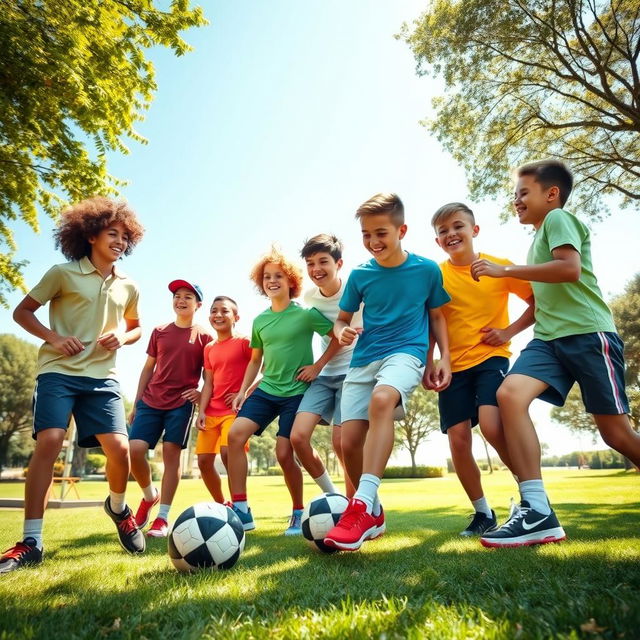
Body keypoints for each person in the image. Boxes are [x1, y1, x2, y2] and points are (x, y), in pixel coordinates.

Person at [471, 159, 640, 547]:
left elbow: (569, 269)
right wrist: (509, 331)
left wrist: (507, 271)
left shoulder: (558, 219)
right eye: (514, 194)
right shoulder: (537, 238)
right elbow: (541, 303)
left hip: (587, 333)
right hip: (548, 340)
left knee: (616, 435)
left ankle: (537, 510)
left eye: (523, 192)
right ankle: (537, 510)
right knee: (509, 394)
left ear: (552, 194)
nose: (516, 200)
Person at [1, 196, 145, 574]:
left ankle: (117, 507)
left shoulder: (128, 286)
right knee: (49, 440)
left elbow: (136, 328)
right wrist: (52, 337)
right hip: (58, 372)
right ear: (91, 235)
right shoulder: (61, 273)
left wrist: (121, 336)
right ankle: (31, 541)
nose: (119, 241)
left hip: (102, 378)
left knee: (120, 450)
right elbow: (22, 312)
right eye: (112, 233)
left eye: (124, 236)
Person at [324, 193, 451, 551]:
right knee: (348, 442)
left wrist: (444, 358)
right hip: (363, 359)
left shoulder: (427, 270)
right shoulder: (361, 275)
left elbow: (438, 315)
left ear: (402, 230)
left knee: (382, 401)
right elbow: (342, 320)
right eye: (366, 234)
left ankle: (361, 506)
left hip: (406, 352)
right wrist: (341, 332)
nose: (373, 242)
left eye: (381, 233)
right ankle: (375, 512)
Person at [430, 202, 535, 536]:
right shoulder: (436, 275)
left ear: (474, 230)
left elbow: (537, 303)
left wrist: (508, 332)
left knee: (491, 426)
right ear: (437, 242)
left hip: (491, 358)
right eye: (443, 231)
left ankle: (533, 499)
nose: (451, 234)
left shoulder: (498, 268)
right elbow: (432, 321)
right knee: (458, 439)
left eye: (458, 226)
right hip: (452, 367)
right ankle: (482, 513)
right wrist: (432, 360)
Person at [226, 248, 335, 534]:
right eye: (266, 277)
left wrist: (317, 367)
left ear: (290, 281)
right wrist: (242, 391)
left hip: (297, 392)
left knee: (285, 453)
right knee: (235, 435)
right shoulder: (259, 321)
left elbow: (337, 339)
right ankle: (241, 509)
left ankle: (298, 512)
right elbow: (255, 360)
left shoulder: (306, 315)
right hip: (266, 389)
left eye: (278, 276)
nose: (271, 281)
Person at [128, 280, 212, 537]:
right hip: (151, 401)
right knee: (134, 451)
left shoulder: (205, 337)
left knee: (171, 457)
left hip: (181, 405)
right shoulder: (159, 331)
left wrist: (200, 397)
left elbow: (209, 377)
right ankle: (149, 495)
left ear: (198, 304)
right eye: (177, 296)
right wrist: (137, 401)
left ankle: (162, 518)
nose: (181, 300)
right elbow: (147, 368)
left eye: (188, 296)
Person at [290, 233, 363, 498]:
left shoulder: (357, 288)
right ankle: (334, 497)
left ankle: (362, 505)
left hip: (353, 373)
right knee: (297, 437)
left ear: (339, 264)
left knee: (342, 443)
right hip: (323, 376)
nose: (316, 269)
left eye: (323, 262)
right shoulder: (311, 298)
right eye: (310, 263)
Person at [196, 296, 251, 504]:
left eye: (224, 311)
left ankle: (240, 504)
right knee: (203, 462)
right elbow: (208, 383)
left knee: (228, 453)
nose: (218, 315)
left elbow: (264, 370)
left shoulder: (245, 342)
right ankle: (222, 505)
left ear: (236, 317)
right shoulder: (209, 348)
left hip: (233, 411)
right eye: (214, 311)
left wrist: (245, 393)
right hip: (210, 411)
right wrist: (201, 411)